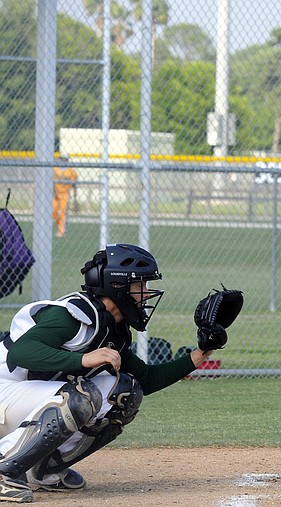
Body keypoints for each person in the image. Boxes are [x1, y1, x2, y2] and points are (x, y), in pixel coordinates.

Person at [0, 243, 220, 503]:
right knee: (82, 396)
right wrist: (83, 359)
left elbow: (146, 380)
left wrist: (200, 354)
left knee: (125, 393)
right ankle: (5, 469)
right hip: (6, 390)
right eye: (141, 286)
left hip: (20, 401)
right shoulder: (74, 315)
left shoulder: (112, 329)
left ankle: (42, 468)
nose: (146, 294)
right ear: (119, 286)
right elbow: (21, 353)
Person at [52, 158, 78, 237]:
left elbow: (74, 185)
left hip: (65, 194)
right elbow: (52, 183)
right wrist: (53, 193)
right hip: (56, 194)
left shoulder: (71, 171)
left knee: (62, 212)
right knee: (53, 212)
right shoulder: (55, 169)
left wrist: (74, 197)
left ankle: (61, 230)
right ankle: (60, 226)